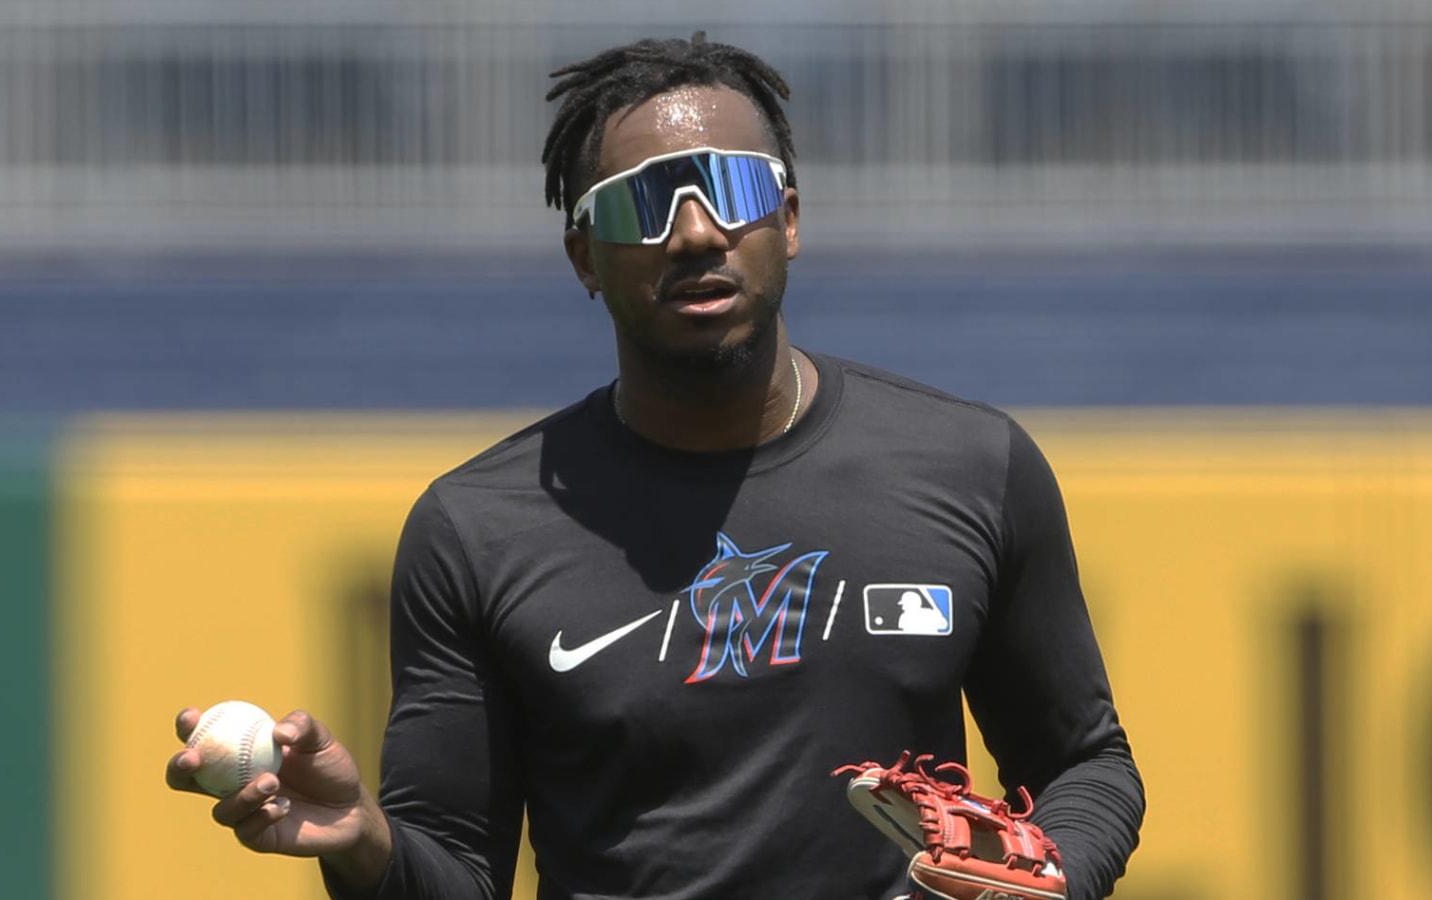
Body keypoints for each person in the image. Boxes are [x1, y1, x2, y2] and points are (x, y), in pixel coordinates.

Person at [166, 32, 1145, 900]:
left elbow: (1086, 765)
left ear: (788, 221)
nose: (694, 231)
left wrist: (1047, 882)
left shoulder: (973, 466)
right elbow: (457, 874)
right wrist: (368, 847)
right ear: (583, 257)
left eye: (732, 189)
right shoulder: (475, 530)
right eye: (641, 205)